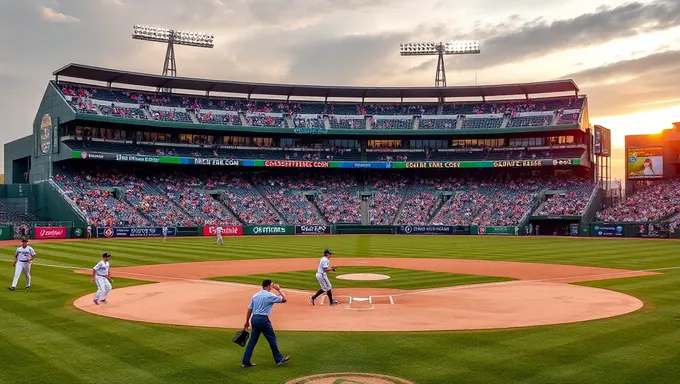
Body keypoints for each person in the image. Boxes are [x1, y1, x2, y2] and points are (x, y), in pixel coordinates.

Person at [241, 279, 291, 368]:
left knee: (252, 341)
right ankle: (279, 359)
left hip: (254, 319)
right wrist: (279, 289)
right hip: (263, 320)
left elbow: (250, 309)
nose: (272, 286)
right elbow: (285, 299)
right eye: (271, 285)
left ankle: (245, 361)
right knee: (272, 338)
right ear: (268, 286)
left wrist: (246, 322)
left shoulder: (255, 295)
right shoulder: (270, 295)